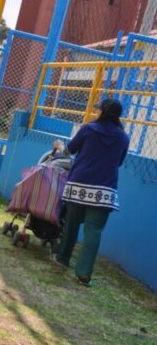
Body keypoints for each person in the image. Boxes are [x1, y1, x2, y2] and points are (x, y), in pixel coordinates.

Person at [51, 98, 129, 287]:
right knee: (93, 231)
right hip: (104, 191)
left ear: (101, 111)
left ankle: (62, 258)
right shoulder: (123, 138)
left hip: (78, 185)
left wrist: (59, 145)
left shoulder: (88, 130)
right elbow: (119, 162)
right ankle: (84, 273)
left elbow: (69, 151)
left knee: (71, 224)